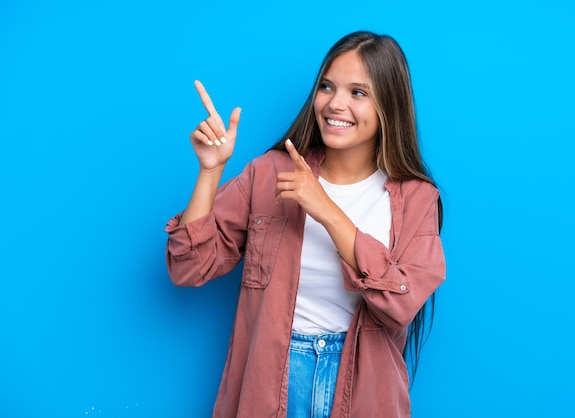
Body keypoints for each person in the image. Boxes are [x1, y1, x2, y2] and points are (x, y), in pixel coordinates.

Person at [165, 30, 446, 418]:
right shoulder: (268, 173)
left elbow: (401, 303)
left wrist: (325, 209)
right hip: (271, 379)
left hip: (364, 388)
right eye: (327, 87)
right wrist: (210, 172)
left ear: (389, 106)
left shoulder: (417, 199)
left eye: (358, 93)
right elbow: (188, 266)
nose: (335, 104)